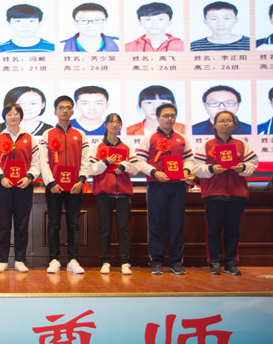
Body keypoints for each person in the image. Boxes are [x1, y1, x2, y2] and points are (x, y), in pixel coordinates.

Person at [193, 111, 259, 275]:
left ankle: (231, 263)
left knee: (233, 232)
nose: (225, 124)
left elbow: (253, 163)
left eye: (228, 121)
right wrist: (211, 169)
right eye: (221, 121)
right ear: (214, 124)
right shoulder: (206, 145)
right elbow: (197, 168)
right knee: (213, 231)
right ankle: (214, 263)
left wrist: (242, 167)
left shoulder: (242, 144)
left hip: (237, 194)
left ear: (234, 124)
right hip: (213, 194)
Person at [135, 103, 195, 275]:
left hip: (178, 186)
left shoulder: (181, 138)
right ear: (158, 118)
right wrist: (154, 172)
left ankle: (176, 262)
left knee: (177, 225)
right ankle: (156, 261)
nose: (169, 119)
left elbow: (189, 159)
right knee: (156, 224)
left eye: (172, 116)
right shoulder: (149, 138)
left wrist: (186, 170)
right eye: (165, 116)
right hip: (156, 186)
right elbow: (139, 161)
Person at [39, 96, 90, 274]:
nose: (65, 111)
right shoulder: (47, 134)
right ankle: (53, 260)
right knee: (54, 223)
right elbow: (43, 161)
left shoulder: (80, 135)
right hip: (54, 187)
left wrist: (81, 181)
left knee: (73, 223)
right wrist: (51, 182)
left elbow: (85, 160)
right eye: (61, 108)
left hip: (75, 187)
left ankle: (72, 260)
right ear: (55, 111)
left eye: (68, 108)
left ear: (73, 111)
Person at [0, 103, 41, 273]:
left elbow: (36, 163)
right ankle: (2, 260)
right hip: (3, 187)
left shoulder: (30, 138)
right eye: (9, 114)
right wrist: (1, 177)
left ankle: (20, 259)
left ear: (21, 116)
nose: (13, 116)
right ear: (4, 117)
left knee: (22, 224)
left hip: (24, 187)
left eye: (16, 113)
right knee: (3, 224)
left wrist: (29, 177)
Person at [88, 113, 139, 275]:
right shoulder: (97, 147)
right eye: (111, 122)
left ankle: (125, 261)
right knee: (105, 228)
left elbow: (136, 169)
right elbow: (90, 169)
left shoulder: (126, 148)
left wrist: (124, 165)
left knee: (123, 228)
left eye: (117, 122)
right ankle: (105, 261)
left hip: (123, 193)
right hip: (104, 193)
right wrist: (105, 162)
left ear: (121, 125)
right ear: (105, 125)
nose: (114, 124)